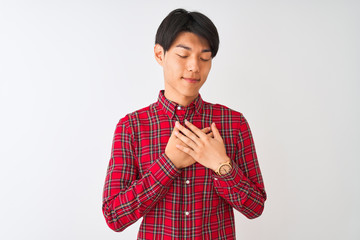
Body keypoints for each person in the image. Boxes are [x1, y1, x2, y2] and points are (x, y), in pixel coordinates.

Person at [102, 8, 267, 239]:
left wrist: (222, 165)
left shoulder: (233, 123)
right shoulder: (132, 127)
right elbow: (114, 216)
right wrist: (169, 164)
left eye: (204, 58)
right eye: (183, 55)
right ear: (160, 54)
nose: (194, 67)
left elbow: (255, 207)